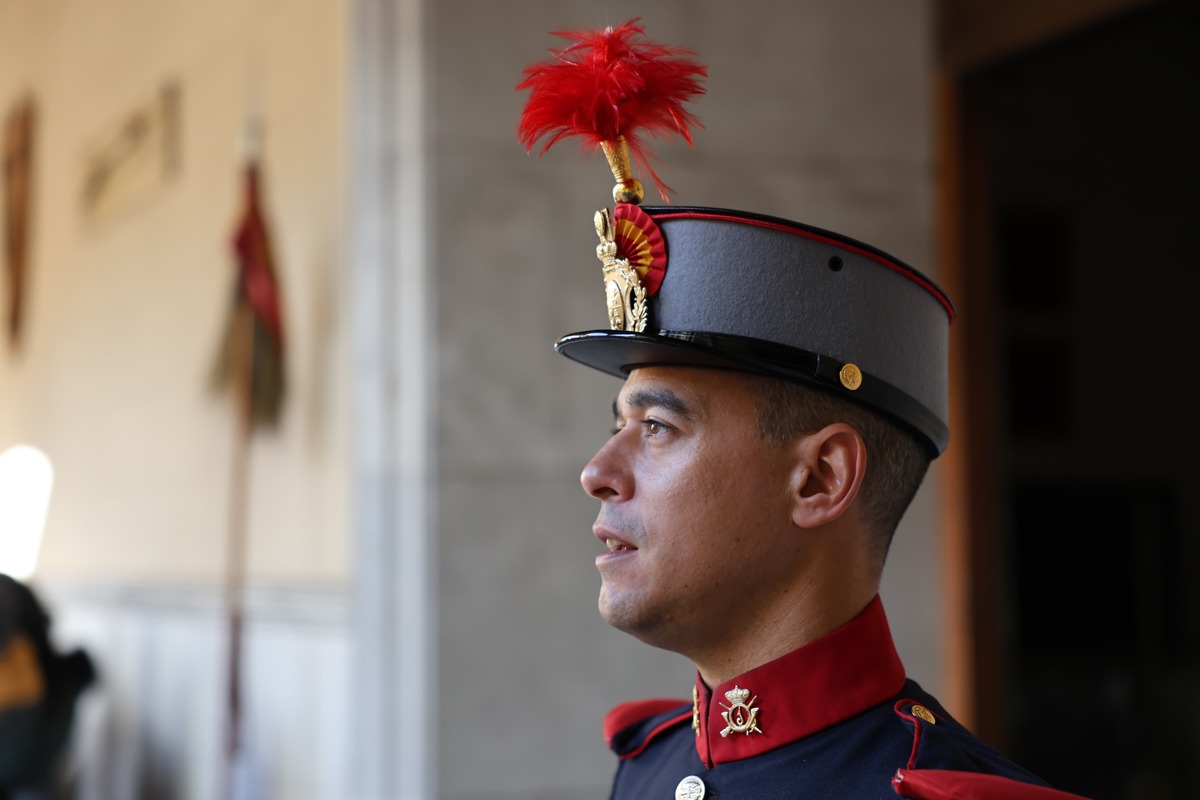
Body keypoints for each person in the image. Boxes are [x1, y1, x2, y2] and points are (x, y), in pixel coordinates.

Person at [519, 20, 1091, 800]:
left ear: (820, 478)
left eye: (655, 427)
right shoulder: (648, 764)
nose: (598, 472)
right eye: (616, 424)